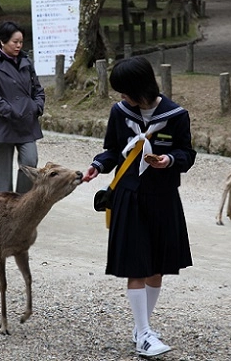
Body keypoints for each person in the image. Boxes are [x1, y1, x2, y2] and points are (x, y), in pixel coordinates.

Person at [82, 56, 196, 357]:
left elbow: (187, 153)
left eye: (124, 90)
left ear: (139, 87)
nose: (121, 97)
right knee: (136, 265)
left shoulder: (175, 115)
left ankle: (141, 326)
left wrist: (168, 161)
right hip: (129, 198)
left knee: (156, 267)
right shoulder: (120, 113)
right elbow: (112, 151)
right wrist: (98, 165)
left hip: (163, 197)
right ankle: (144, 334)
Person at [0, 21, 45, 193]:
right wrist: (9, 111)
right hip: (4, 122)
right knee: (2, 170)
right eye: (14, 42)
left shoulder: (26, 61)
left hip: (27, 121)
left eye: (21, 42)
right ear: (3, 41)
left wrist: (37, 106)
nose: (18, 45)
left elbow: (37, 88)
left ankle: (22, 203)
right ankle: (0, 207)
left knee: (30, 162)